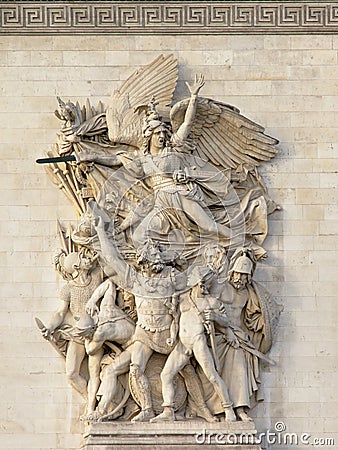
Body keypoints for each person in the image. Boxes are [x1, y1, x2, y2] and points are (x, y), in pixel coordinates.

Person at [151, 272, 236, 423]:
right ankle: (168, 410)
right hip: (183, 344)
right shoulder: (183, 298)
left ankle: (228, 409)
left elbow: (226, 322)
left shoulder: (211, 302)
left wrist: (215, 317)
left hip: (198, 342)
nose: (203, 287)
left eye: (206, 284)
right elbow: (176, 321)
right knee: (166, 375)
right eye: (201, 283)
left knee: (212, 376)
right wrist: (172, 336)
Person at [40, 251, 102, 399]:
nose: (88, 259)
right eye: (84, 258)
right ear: (77, 266)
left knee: (95, 372)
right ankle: (91, 401)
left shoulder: (96, 278)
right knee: (72, 374)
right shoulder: (68, 288)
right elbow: (61, 313)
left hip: (99, 332)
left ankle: (97, 406)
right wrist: (50, 327)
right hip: (78, 333)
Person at [82, 278, 136, 420]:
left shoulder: (100, 334)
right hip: (136, 336)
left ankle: (101, 411)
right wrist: (92, 300)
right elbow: (109, 283)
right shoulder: (106, 307)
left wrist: (87, 340)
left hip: (134, 347)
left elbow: (90, 351)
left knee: (110, 372)